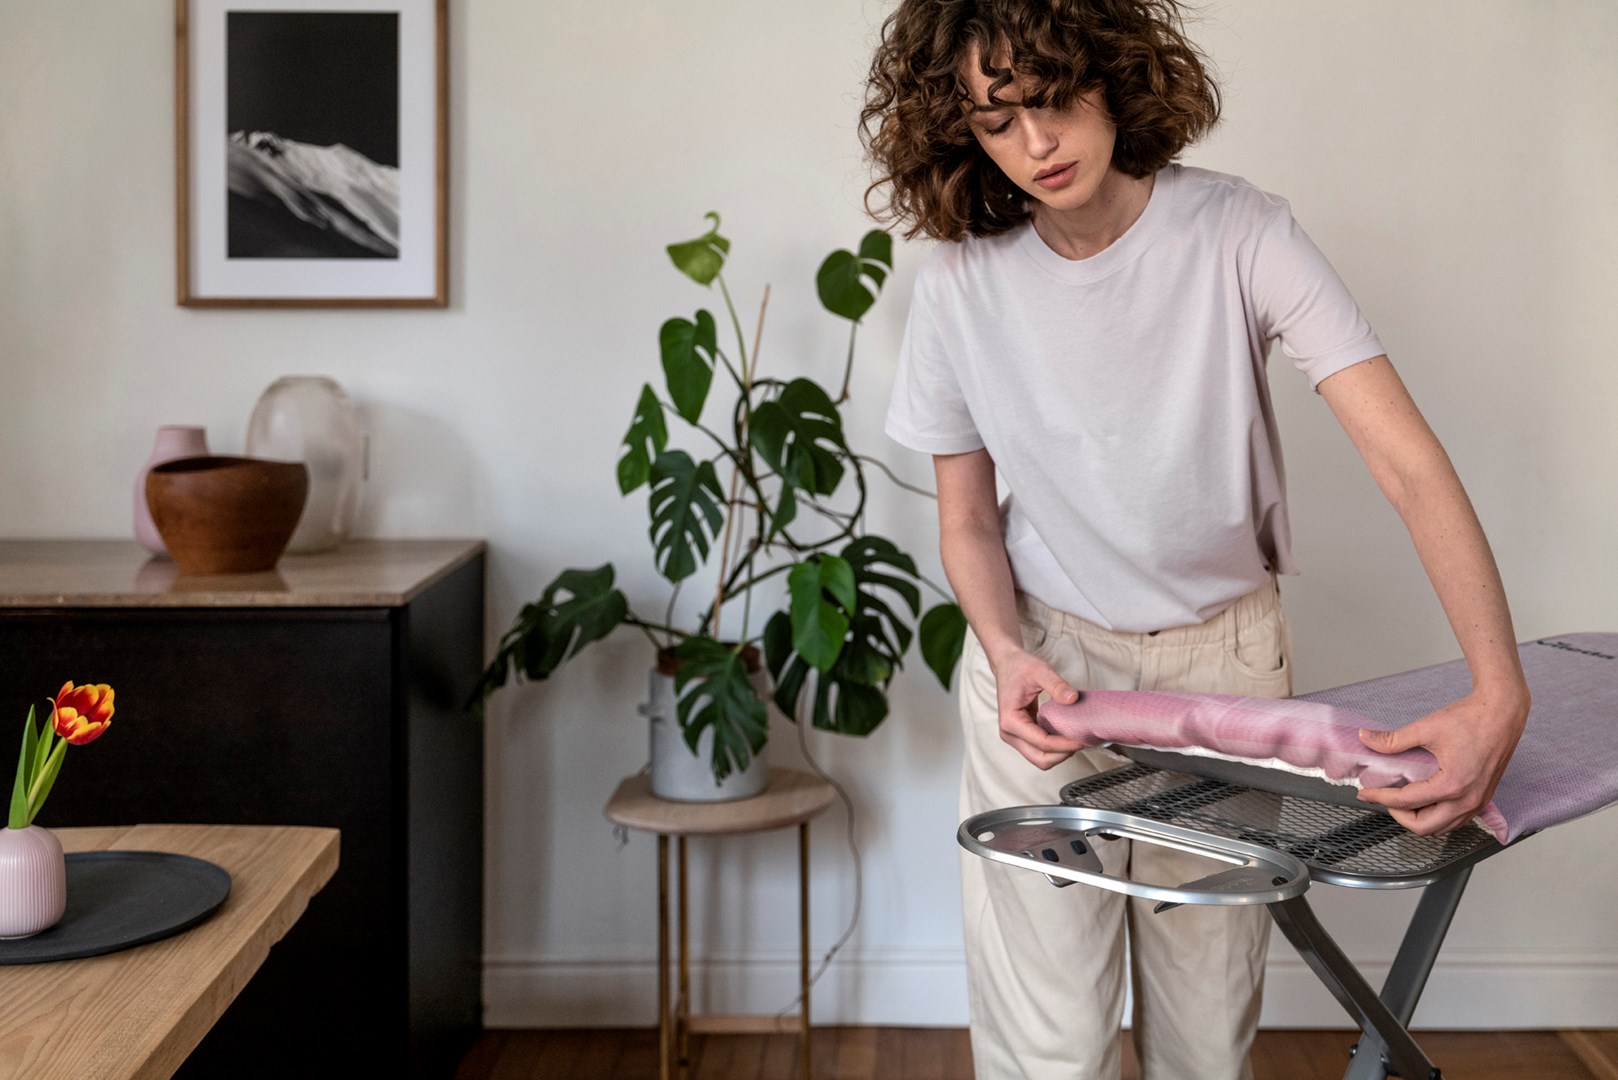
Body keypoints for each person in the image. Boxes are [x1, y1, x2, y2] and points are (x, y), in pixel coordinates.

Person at [860, 2, 1532, 1078]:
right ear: (960, 134)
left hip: (1223, 677)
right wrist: (1004, 648)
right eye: (997, 121)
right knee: (1047, 1045)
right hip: (1040, 674)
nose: (1037, 142)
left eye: (1054, 99)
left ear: (1112, 75)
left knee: (1206, 1036)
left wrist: (1500, 691)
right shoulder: (957, 285)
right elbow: (969, 518)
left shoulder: (1240, 232)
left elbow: (1407, 464)